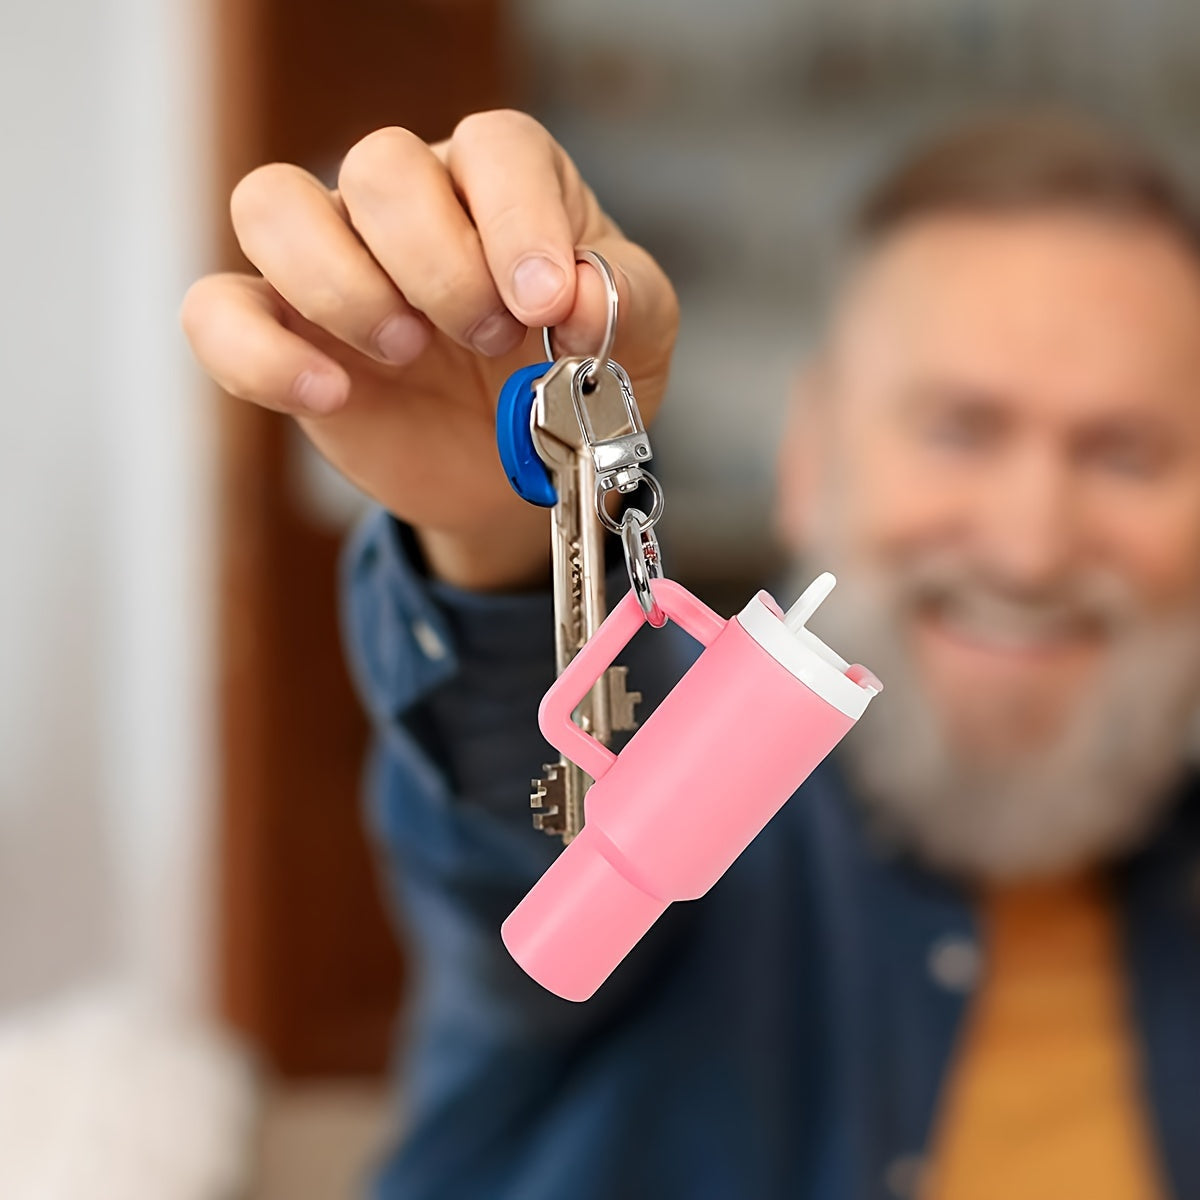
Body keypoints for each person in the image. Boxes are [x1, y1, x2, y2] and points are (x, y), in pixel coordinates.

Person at [182, 108, 1200, 1200]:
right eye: (960, 429)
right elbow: (513, 828)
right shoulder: (688, 808)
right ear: (808, 455)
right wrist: (501, 528)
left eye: (1125, 454)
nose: (1030, 544)